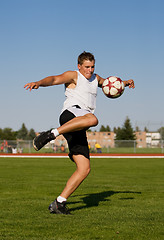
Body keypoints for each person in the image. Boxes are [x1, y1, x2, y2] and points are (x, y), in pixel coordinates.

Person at [24, 51, 135, 214]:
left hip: (78, 124)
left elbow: (109, 84)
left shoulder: (96, 78)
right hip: (70, 114)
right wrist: (39, 83)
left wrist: (125, 83)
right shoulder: (74, 75)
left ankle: (58, 203)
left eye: (92, 67)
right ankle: (51, 134)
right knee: (93, 120)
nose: (90, 70)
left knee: (84, 168)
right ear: (79, 66)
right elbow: (55, 79)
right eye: (87, 67)